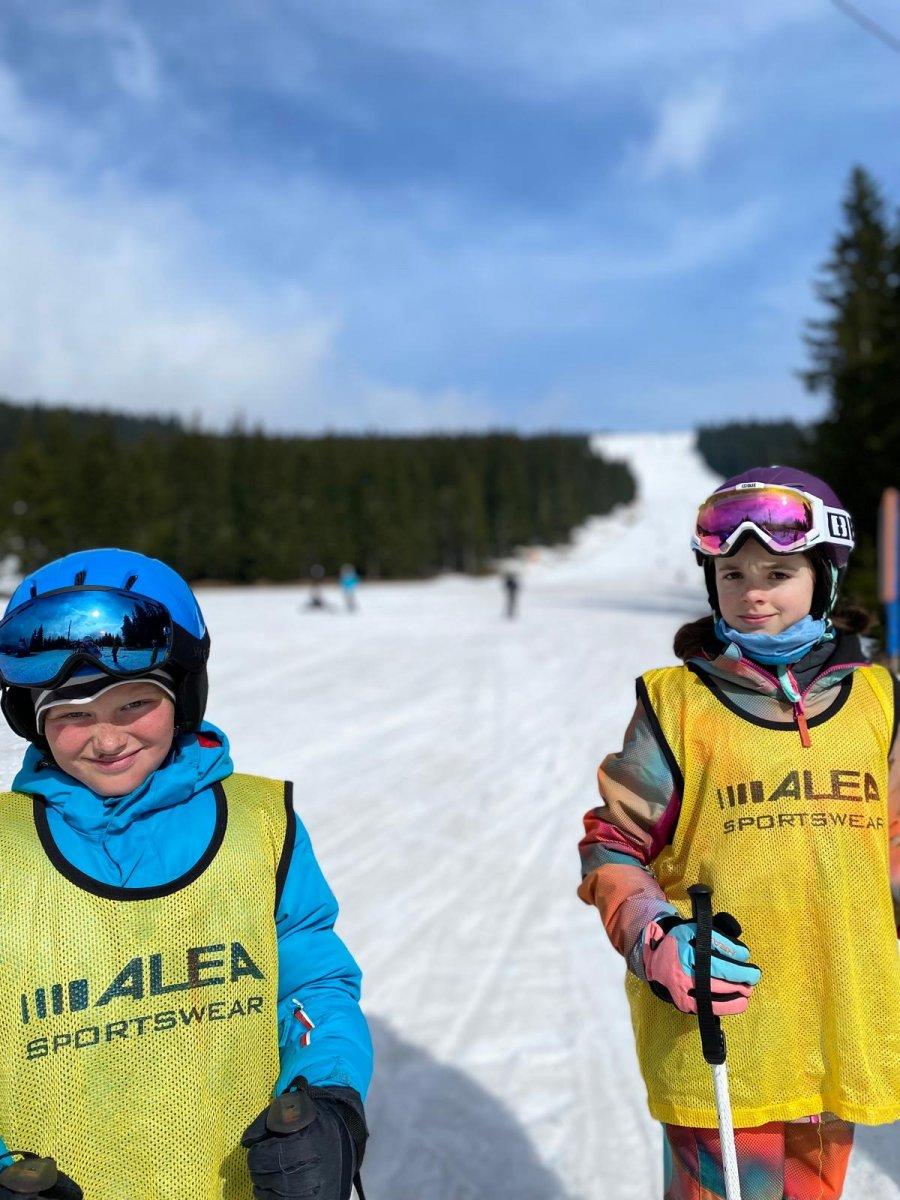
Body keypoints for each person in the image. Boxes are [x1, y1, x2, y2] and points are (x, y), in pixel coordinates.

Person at [0, 549, 372, 1200]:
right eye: (73, 714)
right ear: (32, 718)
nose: (106, 739)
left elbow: (311, 984)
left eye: (133, 704)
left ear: (184, 697)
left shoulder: (260, 827)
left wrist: (329, 1100)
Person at [577, 467, 900, 1200]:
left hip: (838, 1034)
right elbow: (612, 845)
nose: (753, 592)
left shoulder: (879, 701)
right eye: (732, 575)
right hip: (724, 1038)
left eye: (778, 574)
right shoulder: (679, 706)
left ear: (824, 578)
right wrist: (655, 936)